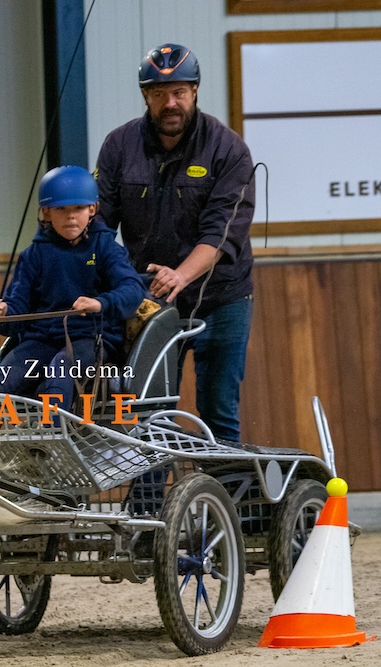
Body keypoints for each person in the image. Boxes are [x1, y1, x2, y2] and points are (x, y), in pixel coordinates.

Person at [95, 43, 255, 442]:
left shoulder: (228, 149)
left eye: (179, 92)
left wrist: (181, 274)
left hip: (222, 297)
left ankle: (219, 502)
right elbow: (97, 226)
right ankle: (148, 505)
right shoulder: (119, 146)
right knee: (148, 410)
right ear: (145, 96)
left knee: (218, 411)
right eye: (159, 94)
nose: (171, 102)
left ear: (196, 91)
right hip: (150, 300)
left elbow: (222, 233)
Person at [0, 165, 145, 411]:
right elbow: (18, 307)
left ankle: (56, 447)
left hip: (91, 339)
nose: (71, 216)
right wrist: (4, 314)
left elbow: (133, 289)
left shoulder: (106, 247)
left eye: (78, 208)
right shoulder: (33, 255)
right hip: (41, 339)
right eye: (61, 209)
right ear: (46, 213)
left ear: (93, 209)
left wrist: (101, 303)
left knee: (60, 375)